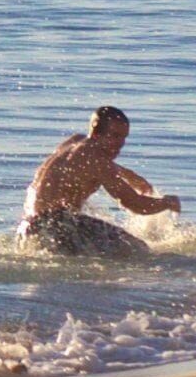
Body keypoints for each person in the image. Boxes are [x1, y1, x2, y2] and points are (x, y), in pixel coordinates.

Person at [25, 105, 179, 260]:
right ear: (96, 131)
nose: (120, 144)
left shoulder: (75, 143)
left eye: (124, 137)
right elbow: (134, 203)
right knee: (138, 249)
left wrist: (127, 174)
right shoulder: (97, 158)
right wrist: (167, 202)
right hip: (57, 226)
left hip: (30, 226)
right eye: (115, 136)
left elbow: (91, 164)